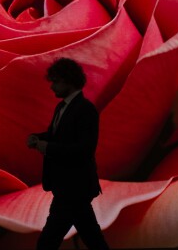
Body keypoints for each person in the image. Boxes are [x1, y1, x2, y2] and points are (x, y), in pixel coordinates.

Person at [27, 58, 110, 250]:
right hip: (66, 186)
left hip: (75, 186)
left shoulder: (86, 110)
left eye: (56, 81)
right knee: (91, 236)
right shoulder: (61, 107)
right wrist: (37, 137)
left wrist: (46, 147)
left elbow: (84, 149)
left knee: (49, 241)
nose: (52, 86)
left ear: (69, 81)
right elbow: (57, 135)